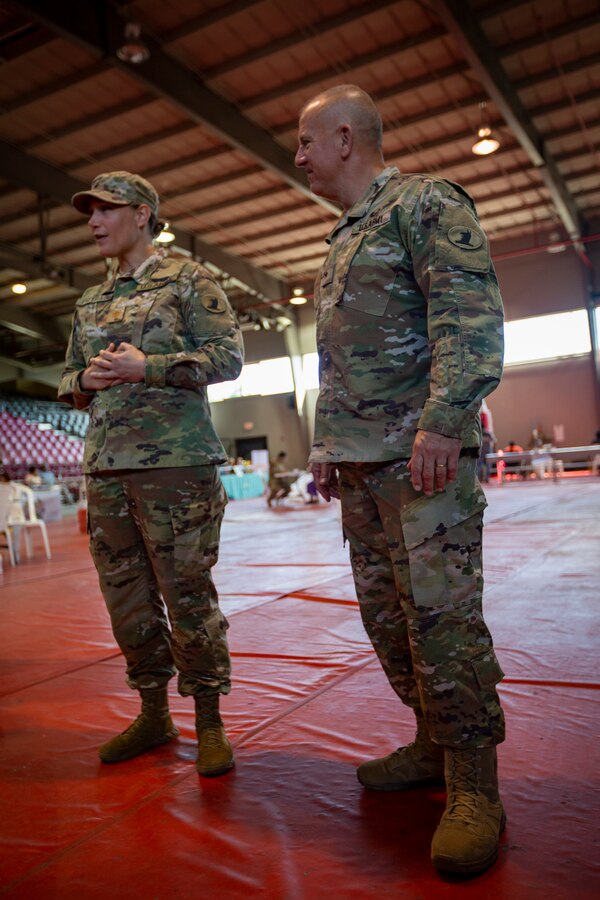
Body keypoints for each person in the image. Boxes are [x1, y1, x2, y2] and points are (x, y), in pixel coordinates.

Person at [295, 85, 506, 876]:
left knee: (444, 625)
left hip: (424, 461)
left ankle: (476, 787)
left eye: (307, 141)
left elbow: (469, 321)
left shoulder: (424, 203)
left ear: (345, 137)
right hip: (360, 465)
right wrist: (325, 443)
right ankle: (429, 742)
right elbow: (341, 359)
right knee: (390, 623)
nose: (299, 156)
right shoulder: (344, 234)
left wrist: (443, 422)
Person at [58, 171, 244, 777]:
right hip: (107, 469)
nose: (93, 222)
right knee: (127, 601)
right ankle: (154, 712)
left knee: (187, 595)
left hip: (175, 466)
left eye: (105, 210)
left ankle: (210, 721)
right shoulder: (90, 301)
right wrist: (84, 381)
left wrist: (150, 366)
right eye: (90, 212)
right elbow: (68, 379)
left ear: (142, 214)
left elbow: (229, 358)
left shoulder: (188, 279)